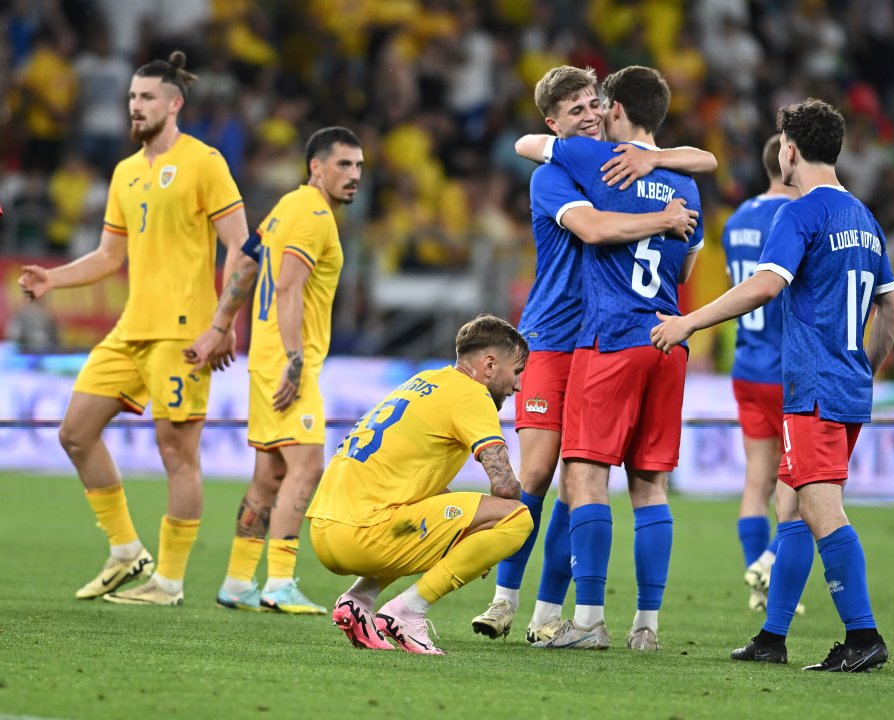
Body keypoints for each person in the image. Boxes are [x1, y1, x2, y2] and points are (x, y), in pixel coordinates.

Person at [651, 98, 894, 672]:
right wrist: (863, 367)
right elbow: (892, 310)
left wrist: (688, 321)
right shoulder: (865, 219)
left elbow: (766, 286)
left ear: (789, 149)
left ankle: (863, 636)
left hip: (811, 385)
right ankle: (773, 637)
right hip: (846, 386)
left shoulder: (798, 213)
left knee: (821, 511)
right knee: (790, 510)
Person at [472, 64, 712, 644]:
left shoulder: (621, 164)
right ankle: (504, 597)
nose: (588, 113)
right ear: (554, 122)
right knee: (538, 470)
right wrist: (665, 213)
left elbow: (692, 161)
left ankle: (548, 610)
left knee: (580, 475)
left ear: (610, 109)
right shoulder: (555, 173)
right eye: (573, 108)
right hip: (555, 339)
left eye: (593, 103)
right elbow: (594, 226)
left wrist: (655, 159)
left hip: (605, 340)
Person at [18, 52, 249, 606]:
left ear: (175, 104)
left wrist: (222, 325)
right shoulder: (125, 171)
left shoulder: (204, 161)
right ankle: (126, 551)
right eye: (130, 98)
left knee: (177, 453)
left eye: (146, 97)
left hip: (183, 332)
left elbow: (243, 249)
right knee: (74, 432)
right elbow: (106, 256)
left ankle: (167, 582)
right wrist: (54, 279)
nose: (135, 106)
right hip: (131, 330)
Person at [185, 127, 364, 614]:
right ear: (316, 167)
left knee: (271, 474)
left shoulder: (287, 206)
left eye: (359, 167)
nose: (354, 176)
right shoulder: (313, 216)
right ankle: (279, 582)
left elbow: (244, 264)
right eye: (344, 165)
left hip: (264, 356)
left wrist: (219, 327)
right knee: (308, 466)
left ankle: (238, 580)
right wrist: (294, 357)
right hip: (286, 359)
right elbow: (288, 288)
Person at [308, 314, 533, 655]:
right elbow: (504, 487)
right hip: (364, 535)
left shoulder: (425, 381)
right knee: (517, 518)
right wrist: (487, 535)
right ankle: (407, 612)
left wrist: (472, 528)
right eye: (516, 372)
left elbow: (417, 490)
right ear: (489, 364)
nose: (517, 386)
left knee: (439, 513)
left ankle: (359, 600)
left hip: (325, 531)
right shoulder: (472, 395)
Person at [720, 134, 799, 612]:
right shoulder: (795, 216)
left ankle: (758, 588)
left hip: (746, 362)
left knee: (756, 478)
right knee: (800, 480)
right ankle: (770, 558)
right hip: (786, 366)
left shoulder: (735, 220)